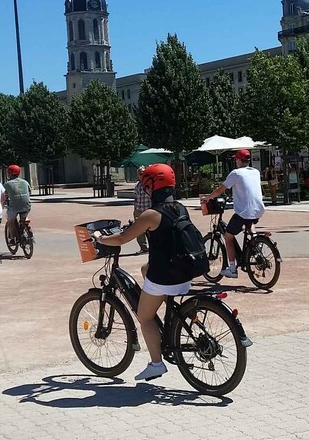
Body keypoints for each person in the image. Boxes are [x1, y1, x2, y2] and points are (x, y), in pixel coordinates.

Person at [96, 163, 194, 381]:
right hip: (184, 271)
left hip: (166, 276)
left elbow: (122, 238)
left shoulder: (151, 214)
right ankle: (169, 312)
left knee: (144, 317)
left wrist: (100, 238)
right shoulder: (180, 207)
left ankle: (156, 364)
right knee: (144, 268)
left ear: (150, 187)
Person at [202, 149, 265, 278]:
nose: (235, 161)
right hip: (258, 209)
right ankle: (256, 245)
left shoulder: (235, 173)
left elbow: (221, 189)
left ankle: (232, 269)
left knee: (228, 237)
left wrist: (208, 197)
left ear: (239, 160)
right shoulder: (255, 172)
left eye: (236, 159)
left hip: (243, 211)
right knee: (250, 223)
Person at [4, 164, 32, 245]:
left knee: (10, 221)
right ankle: (25, 229)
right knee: (23, 217)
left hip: (14, 207)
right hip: (27, 206)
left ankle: (12, 239)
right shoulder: (25, 182)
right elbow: (29, 192)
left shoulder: (7, 184)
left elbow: (3, 195)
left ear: (9, 173)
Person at [132, 166, 150, 253]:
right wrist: (135, 210)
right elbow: (136, 198)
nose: (141, 175)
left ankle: (154, 248)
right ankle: (143, 248)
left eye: (143, 173)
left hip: (148, 209)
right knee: (139, 230)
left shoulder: (150, 184)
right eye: (139, 174)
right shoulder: (137, 185)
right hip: (139, 210)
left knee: (151, 229)